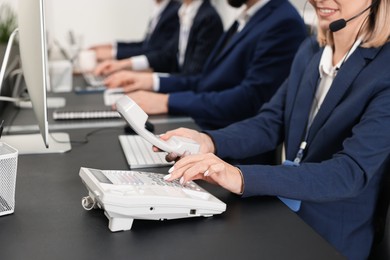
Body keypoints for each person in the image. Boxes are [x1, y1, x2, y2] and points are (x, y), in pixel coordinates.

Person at [159, 0, 390, 259]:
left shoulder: (384, 69)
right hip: (281, 210)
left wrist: (240, 176)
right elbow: (271, 122)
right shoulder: (311, 49)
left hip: (330, 235)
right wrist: (208, 141)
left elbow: (351, 172)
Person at [102, 0, 307, 130]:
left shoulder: (282, 23)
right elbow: (206, 79)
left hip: (232, 150)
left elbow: (249, 100)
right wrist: (153, 83)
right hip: (205, 126)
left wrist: (166, 102)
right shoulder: (248, 17)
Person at [94, 0, 224, 76]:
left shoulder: (208, 18)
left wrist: (152, 81)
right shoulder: (186, 12)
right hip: (180, 89)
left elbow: (194, 74)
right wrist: (125, 64)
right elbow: (166, 55)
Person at [90, 0, 180, 61]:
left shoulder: (175, 11)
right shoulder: (160, 9)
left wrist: (114, 53)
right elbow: (146, 44)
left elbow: (156, 50)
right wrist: (113, 46)